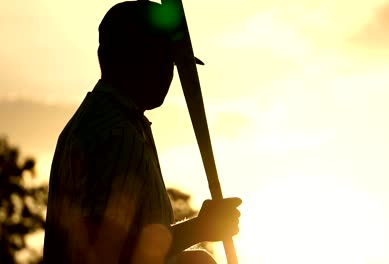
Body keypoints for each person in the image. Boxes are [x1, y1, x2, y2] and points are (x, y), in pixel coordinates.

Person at [42, 0, 242, 263]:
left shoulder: (97, 123)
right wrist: (199, 228)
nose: (168, 73)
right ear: (127, 57)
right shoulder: (117, 133)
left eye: (170, 62)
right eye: (159, 59)